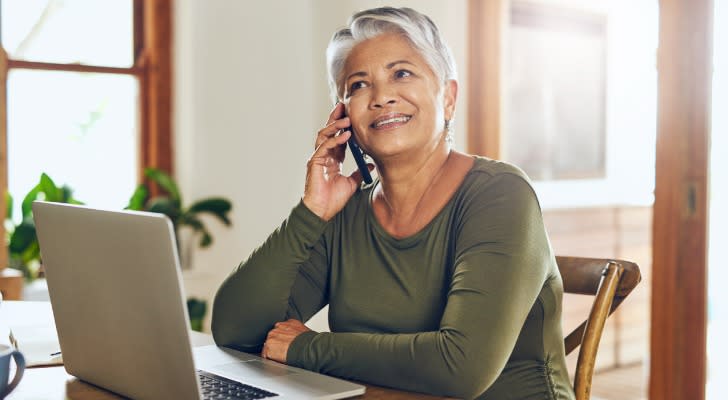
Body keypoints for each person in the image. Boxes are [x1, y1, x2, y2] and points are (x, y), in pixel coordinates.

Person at [212, 6, 575, 399]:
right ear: (343, 117)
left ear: (448, 97)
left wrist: (306, 348)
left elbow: (461, 366)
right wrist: (311, 212)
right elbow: (236, 330)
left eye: (401, 73)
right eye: (358, 85)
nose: (382, 96)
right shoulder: (345, 212)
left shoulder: (500, 194)